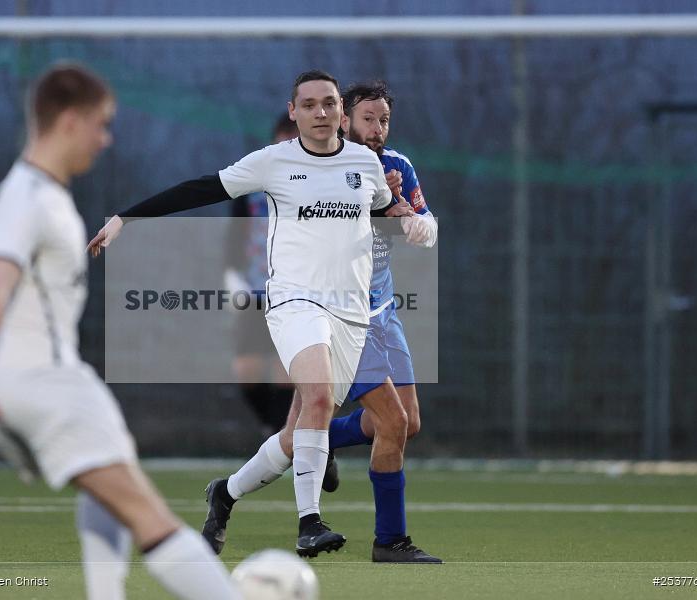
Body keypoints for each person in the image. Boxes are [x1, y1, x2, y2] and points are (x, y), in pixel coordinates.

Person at [89, 70, 428, 557]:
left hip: (353, 315)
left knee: (299, 434)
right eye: (308, 104)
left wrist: (409, 219)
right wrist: (126, 217)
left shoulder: (365, 165)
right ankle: (310, 523)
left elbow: (382, 209)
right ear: (293, 112)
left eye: (329, 103)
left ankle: (225, 493)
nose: (320, 112)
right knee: (316, 399)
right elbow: (201, 188)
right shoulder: (274, 162)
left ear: (341, 112)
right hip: (293, 302)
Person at [0, 64, 239, 600]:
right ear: (67, 121)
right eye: (100, 125)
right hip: (39, 381)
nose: (105, 140)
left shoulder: (41, 193)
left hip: (24, 378)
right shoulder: (30, 197)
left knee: (104, 480)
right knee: (149, 515)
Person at [201, 80, 442, 564]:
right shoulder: (322, 165)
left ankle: (229, 490)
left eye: (385, 120)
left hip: (382, 314)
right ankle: (389, 540)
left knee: (400, 423)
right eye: (368, 118)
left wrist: (417, 224)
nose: (378, 128)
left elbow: (424, 225)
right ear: (345, 120)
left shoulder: (393, 166)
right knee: (388, 420)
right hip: (332, 313)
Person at [224, 113, 298, 438]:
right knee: (247, 370)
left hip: (296, 292)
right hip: (255, 291)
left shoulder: (318, 187)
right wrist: (231, 275)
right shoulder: (253, 186)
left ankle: (285, 439)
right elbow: (235, 234)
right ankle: (277, 431)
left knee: (288, 372)